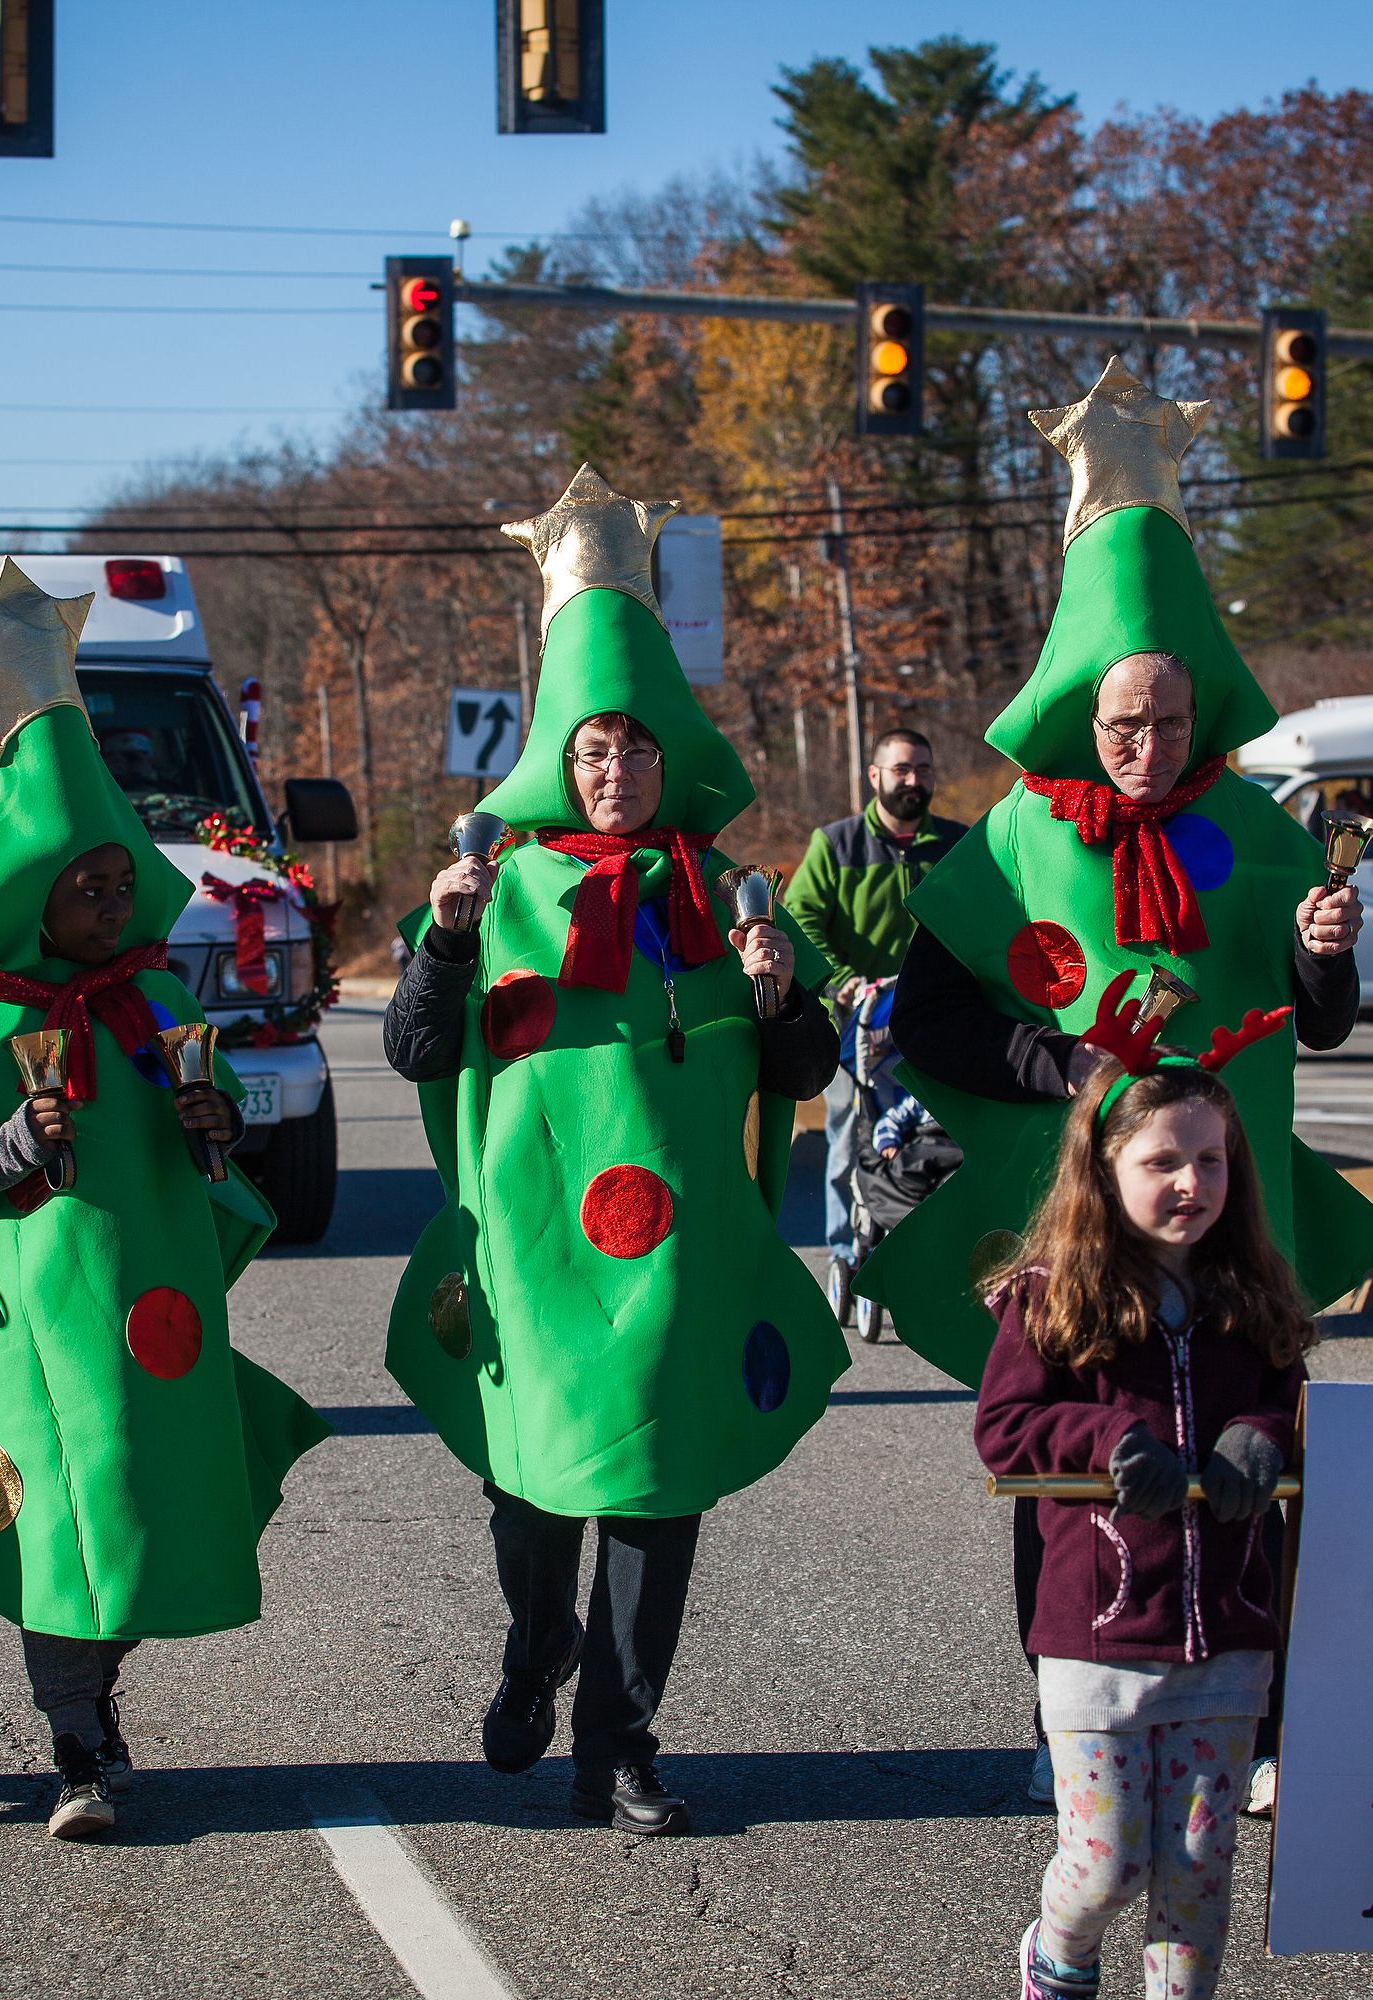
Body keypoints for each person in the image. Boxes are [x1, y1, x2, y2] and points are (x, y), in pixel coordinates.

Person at [870, 363, 1373, 1807]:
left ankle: (1267, 1712)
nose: (1147, 746)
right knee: (1064, 1448)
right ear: (1079, 712)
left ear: (1201, 709)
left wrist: (1323, 960)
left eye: (1168, 720)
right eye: (1122, 722)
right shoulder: (1016, 842)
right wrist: (1061, 1066)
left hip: (1238, 1200)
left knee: (1261, 1446)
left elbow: (1326, 1026)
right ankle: (1063, 1713)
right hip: (1083, 1212)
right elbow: (931, 1020)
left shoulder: (1265, 833)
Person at [381, 467, 845, 1837]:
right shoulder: (496, 887)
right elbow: (417, 1052)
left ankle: (621, 1747)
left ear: (670, 755)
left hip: (682, 1254)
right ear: (556, 759)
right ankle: (538, 1649)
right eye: (591, 749)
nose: (615, 771)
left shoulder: (729, 892)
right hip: (538, 1258)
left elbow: (806, 1074)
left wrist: (778, 993)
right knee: (537, 1494)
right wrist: (448, 941)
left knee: (656, 1491)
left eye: (636, 749)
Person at [0, 562, 327, 1844]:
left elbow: (206, 1169)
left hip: (146, 1314)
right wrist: (9, 1143)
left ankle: (97, 1708)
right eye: (90, 891)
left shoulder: (165, 1007)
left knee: (127, 1507)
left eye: (124, 885)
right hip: (32, 1325)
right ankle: (77, 1751)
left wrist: (214, 1135)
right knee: (62, 1513)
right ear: (33, 898)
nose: (114, 905)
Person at [975, 1031, 1306, 2000]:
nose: (1189, 1182)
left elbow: (1289, 1404)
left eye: (1210, 1160)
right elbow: (1006, 1426)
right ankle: (1057, 1955)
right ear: (1103, 1165)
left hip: (1229, 1631)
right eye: (1160, 1160)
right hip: (1098, 1629)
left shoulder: (1251, 1292)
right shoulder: (1048, 1292)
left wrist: (1261, 1433)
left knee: (1199, 1873)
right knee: (1109, 1862)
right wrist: (1108, 1440)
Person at [783, 727, 967, 1299]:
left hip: (937, 1026)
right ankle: (847, 1249)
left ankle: (938, 1244)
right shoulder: (836, 845)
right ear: (875, 776)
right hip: (856, 1029)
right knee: (846, 1141)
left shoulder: (958, 845)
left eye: (924, 770)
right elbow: (802, 919)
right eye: (902, 770)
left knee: (940, 1138)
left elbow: (979, 921)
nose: (915, 781)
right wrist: (842, 981)